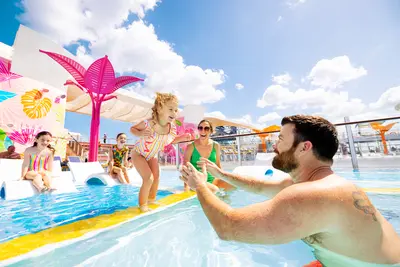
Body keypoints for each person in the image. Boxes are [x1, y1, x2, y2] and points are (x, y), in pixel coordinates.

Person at [180, 115, 400, 267]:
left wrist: (199, 185)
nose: (275, 146)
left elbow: (227, 227)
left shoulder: (311, 195)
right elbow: (257, 186)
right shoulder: (315, 184)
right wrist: (222, 175)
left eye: (281, 139)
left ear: (305, 147)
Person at [130, 92, 192, 212]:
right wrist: (140, 133)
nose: (174, 113)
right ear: (159, 109)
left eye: (175, 110)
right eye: (170, 109)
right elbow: (132, 129)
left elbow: (170, 141)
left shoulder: (172, 128)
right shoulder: (149, 123)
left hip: (151, 155)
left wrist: (183, 137)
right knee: (148, 179)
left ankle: (151, 200)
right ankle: (142, 206)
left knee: (157, 177)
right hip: (138, 153)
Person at [182, 119, 234, 192]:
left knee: (232, 185)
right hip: (198, 180)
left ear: (211, 131)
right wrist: (186, 188)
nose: (203, 131)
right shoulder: (190, 146)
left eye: (206, 128)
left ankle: (225, 202)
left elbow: (218, 166)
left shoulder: (216, 145)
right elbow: (185, 168)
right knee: (214, 190)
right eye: (200, 128)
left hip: (213, 180)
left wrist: (223, 179)